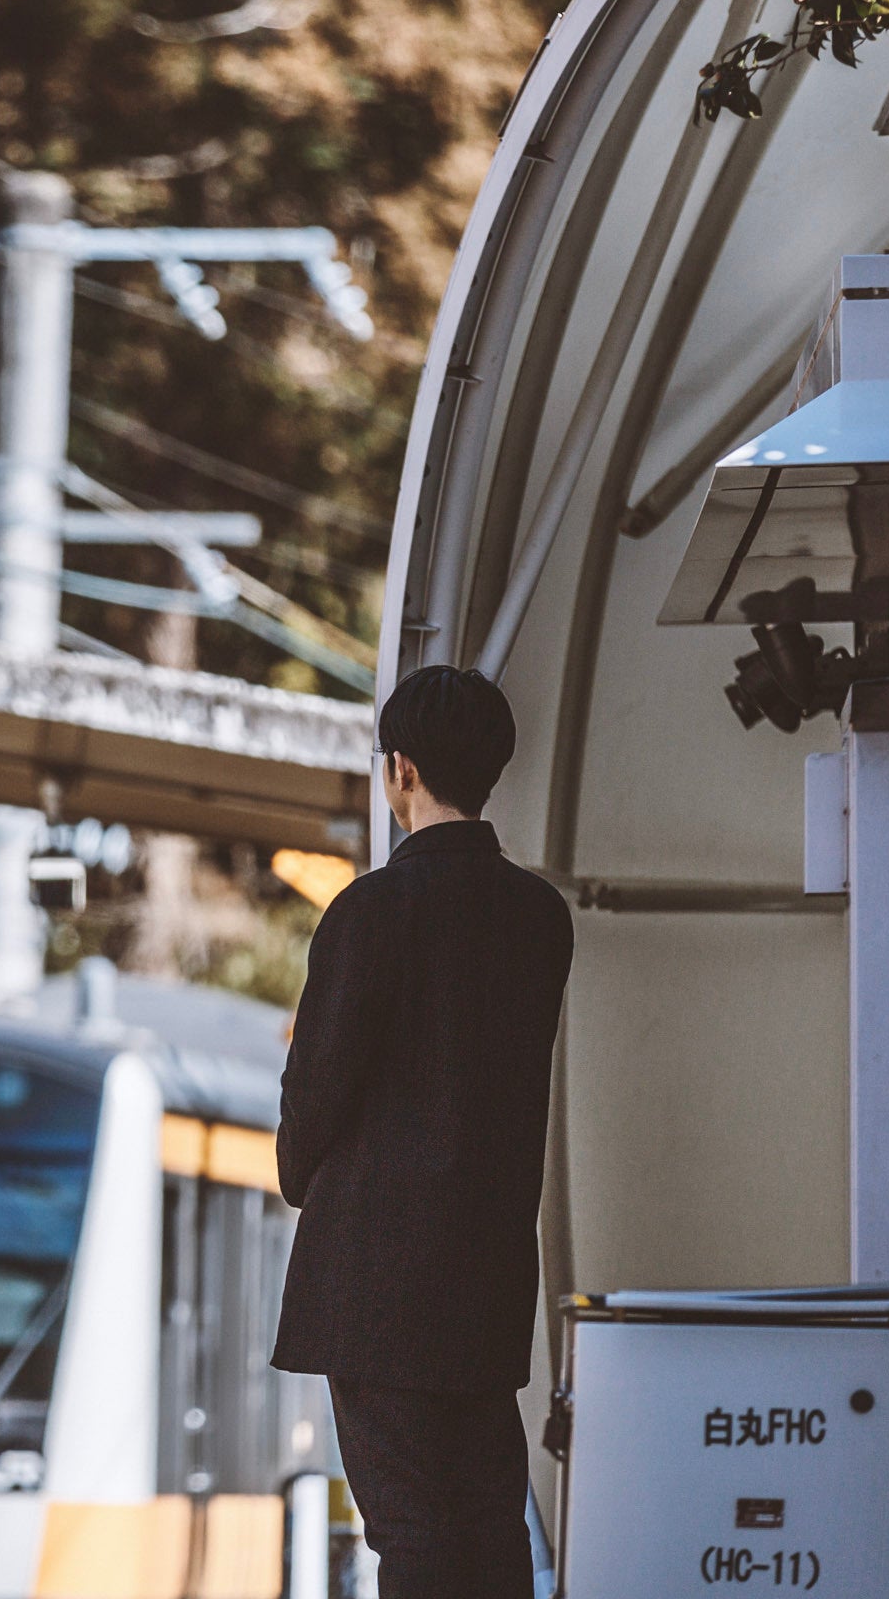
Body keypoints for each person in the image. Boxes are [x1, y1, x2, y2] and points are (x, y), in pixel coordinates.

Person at [271, 664, 573, 1598]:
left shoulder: (369, 912)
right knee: (486, 1522)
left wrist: (299, 1173)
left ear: (399, 770)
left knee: (409, 1530)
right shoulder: (540, 917)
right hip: (484, 1280)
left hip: (375, 1286)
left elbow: (315, 1093)